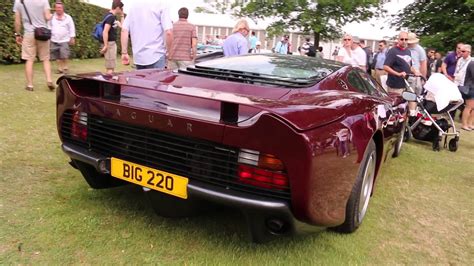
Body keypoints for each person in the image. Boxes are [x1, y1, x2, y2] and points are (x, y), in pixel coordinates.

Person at [13, 0, 54, 91]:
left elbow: (17, 21)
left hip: (29, 33)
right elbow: (47, 17)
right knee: (46, 59)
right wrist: (51, 15)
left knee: (29, 59)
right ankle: (49, 80)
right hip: (42, 33)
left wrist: (17, 34)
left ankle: (30, 85)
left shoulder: (19, 1)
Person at [121, 0, 172, 70]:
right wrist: (169, 53)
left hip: (138, 58)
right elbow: (168, 32)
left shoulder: (134, 5)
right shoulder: (161, 4)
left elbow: (124, 30)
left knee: (141, 81)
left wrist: (124, 52)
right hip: (156, 55)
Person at [50, 1, 75, 74]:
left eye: (60, 7)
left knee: (64, 55)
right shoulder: (52, 17)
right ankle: (60, 68)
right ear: (55, 8)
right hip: (54, 39)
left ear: (63, 8)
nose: (58, 9)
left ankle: (65, 67)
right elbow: (49, 26)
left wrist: (72, 37)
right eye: (57, 7)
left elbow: (71, 28)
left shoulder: (68, 17)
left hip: (64, 39)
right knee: (56, 55)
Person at [100, 0, 124, 74]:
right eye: (121, 8)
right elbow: (105, 31)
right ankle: (109, 85)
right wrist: (106, 45)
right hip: (109, 44)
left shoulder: (113, 17)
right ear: (117, 8)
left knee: (111, 66)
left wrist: (122, 16)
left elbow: (123, 27)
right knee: (110, 68)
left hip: (111, 44)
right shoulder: (110, 17)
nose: (121, 10)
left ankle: (109, 83)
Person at [407, 32, 427, 116]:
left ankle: (412, 113)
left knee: (413, 95)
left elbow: (423, 64)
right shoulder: (404, 49)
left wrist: (423, 77)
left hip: (415, 76)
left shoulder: (420, 50)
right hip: (405, 74)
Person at [461, 58, 474, 130]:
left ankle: (470, 123)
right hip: (470, 88)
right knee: (469, 107)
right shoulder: (472, 63)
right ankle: (464, 124)